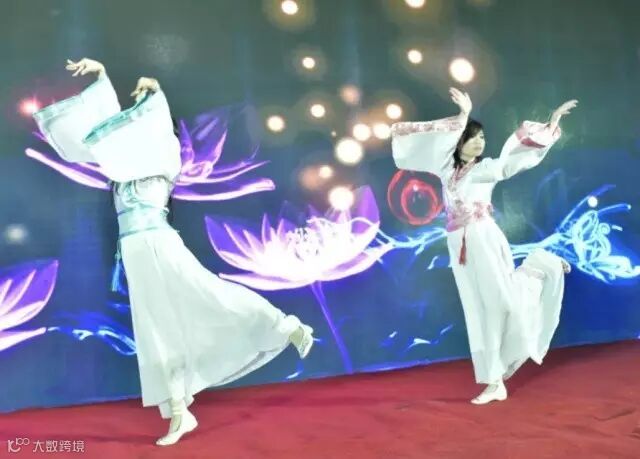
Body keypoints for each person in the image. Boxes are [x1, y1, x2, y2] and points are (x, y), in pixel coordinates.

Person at [33, 57, 314, 445]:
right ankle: (180, 413)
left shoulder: (162, 167)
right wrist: (102, 74)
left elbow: (153, 123)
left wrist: (155, 92)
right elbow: (101, 128)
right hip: (135, 255)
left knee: (211, 294)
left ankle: (286, 326)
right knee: (156, 333)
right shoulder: (121, 174)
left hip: (159, 245)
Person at [391, 87, 577, 405]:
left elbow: (508, 164)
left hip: (484, 238)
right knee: (477, 309)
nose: (479, 142)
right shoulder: (447, 170)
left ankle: (541, 267)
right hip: (459, 245)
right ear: (459, 142)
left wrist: (551, 124)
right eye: (472, 137)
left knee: (503, 304)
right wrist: (463, 115)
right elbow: (440, 144)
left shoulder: (484, 168)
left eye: (482, 137)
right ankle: (494, 381)